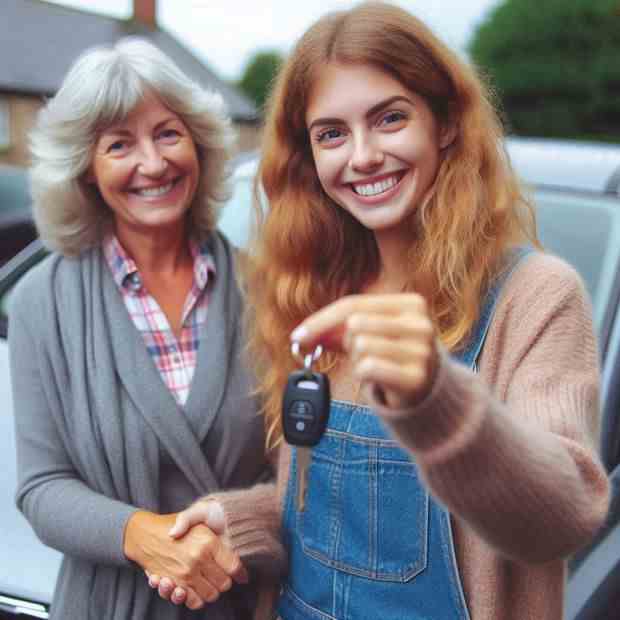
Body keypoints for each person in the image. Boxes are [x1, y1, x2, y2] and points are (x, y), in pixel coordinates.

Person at [149, 2, 610, 618]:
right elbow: (332, 510)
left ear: (445, 122)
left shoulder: (536, 297)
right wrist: (239, 522)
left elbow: (563, 517)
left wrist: (435, 399)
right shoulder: (311, 295)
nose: (362, 156)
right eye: (331, 133)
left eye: (389, 118)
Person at [9, 38, 284, 620]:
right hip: (104, 608)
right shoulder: (42, 301)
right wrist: (144, 535)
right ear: (85, 168)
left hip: (240, 604)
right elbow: (42, 487)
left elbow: (295, 471)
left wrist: (230, 529)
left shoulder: (267, 290)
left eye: (167, 133)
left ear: (200, 146)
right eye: (119, 145)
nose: (153, 164)